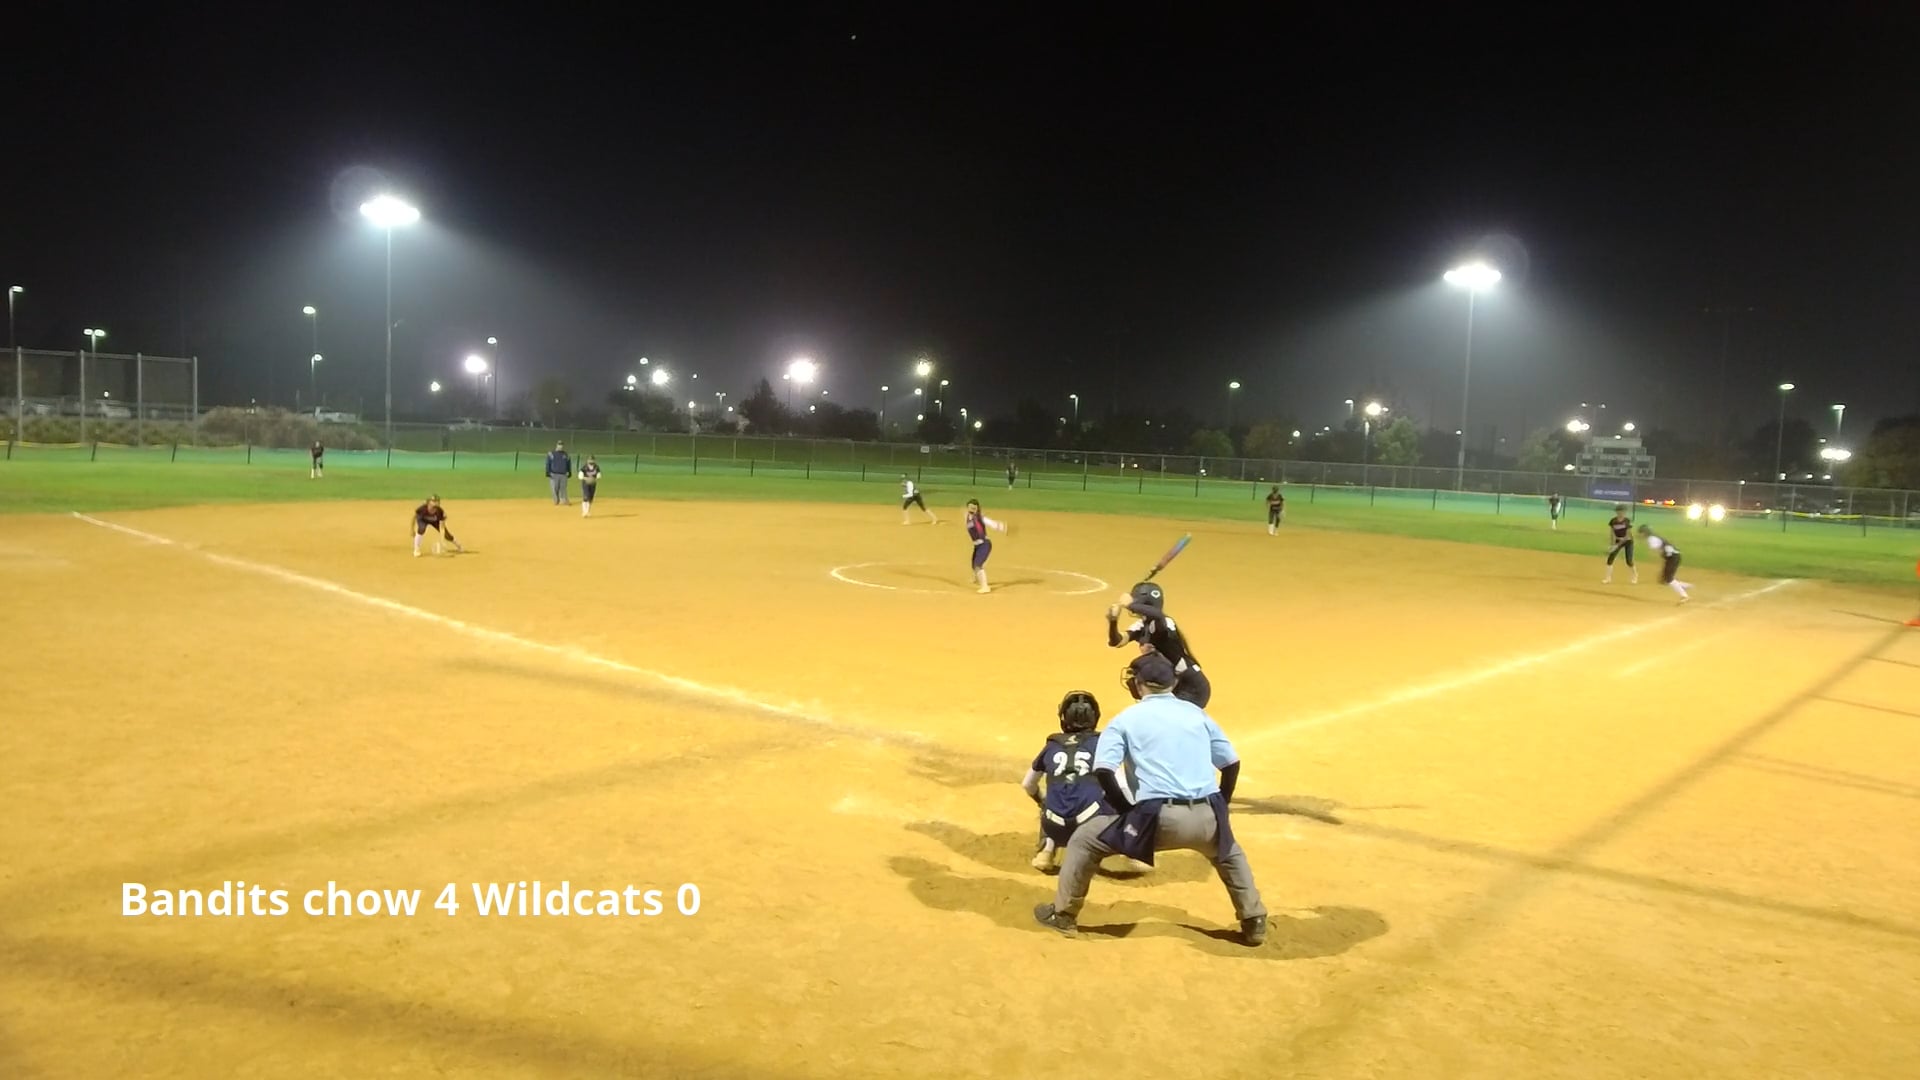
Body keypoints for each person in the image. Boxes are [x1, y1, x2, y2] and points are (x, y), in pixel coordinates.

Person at [1033, 651, 1267, 945]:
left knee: (1085, 840)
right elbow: (1231, 764)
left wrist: (1126, 811)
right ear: (1173, 684)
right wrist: (1222, 804)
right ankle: (1254, 920)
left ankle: (1064, 915)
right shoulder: (1197, 714)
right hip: (1206, 816)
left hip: (1154, 821)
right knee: (1229, 853)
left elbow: (1104, 771)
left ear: (1139, 685)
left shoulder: (1125, 720)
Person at [1022, 690, 1109, 873]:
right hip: (1088, 830)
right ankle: (1132, 853)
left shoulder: (1052, 745)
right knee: (1115, 798)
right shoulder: (1101, 744)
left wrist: (1041, 801)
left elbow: (1028, 784)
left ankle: (1046, 851)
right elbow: (1121, 785)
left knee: (1049, 802)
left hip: (1055, 829)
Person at [1107, 581, 1210, 708]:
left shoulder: (1164, 623)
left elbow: (1158, 615)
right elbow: (1117, 641)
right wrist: (1113, 622)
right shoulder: (1142, 625)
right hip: (1172, 683)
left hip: (1191, 686)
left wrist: (1130, 604)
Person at [1636, 524, 1690, 602]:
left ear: (1645, 533)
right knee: (1663, 580)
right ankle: (1683, 586)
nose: (1641, 535)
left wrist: (1660, 564)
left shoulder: (1651, 539)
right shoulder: (1653, 537)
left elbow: (1656, 553)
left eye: (1641, 533)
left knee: (1668, 579)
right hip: (1671, 557)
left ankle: (1684, 596)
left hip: (1673, 558)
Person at [964, 498, 1008, 593]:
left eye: (974, 507)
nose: (971, 509)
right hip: (977, 546)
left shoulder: (980, 518)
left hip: (984, 544)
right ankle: (977, 579)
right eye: (970, 507)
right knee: (974, 565)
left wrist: (1002, 527)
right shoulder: (968, 517)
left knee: (978, 565)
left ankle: (985, 587)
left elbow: (992, 524)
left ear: (977, 508)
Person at [1603, 504, 1637, 584]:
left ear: (1624, 512)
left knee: (1629, 561)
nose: (1620, 513)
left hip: (1628, 541)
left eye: (1622, 511)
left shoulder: (1626, 521)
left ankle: (1635, 576)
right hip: (1618, 540)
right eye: (1619, 511)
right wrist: (1612, 545)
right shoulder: (1613, 521)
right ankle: (1608, 578)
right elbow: (1612, 533)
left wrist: (1617, 545)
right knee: (1610, 559)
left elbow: (1628, 535)